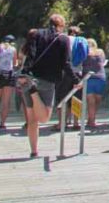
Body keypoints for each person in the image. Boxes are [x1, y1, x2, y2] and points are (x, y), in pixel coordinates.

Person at [18, 14, 70, 158]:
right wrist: (76, 80)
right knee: (45, 117)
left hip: (28, 78)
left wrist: (25, 72)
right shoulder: (63, 39)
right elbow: (66, 63)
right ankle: (33, 91)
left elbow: (31, 54)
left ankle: (34, 151)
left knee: (32, 118)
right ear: (61, 25)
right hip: (47, 80)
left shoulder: (37, 34)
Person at [82, 39, 107, 128]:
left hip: (88, 78)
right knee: (97, 101)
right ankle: (91, 119)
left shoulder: (84, 53)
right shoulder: (100, 52)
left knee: (90, 102)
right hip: (100, 78)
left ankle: (91, 121)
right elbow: (103, 62)